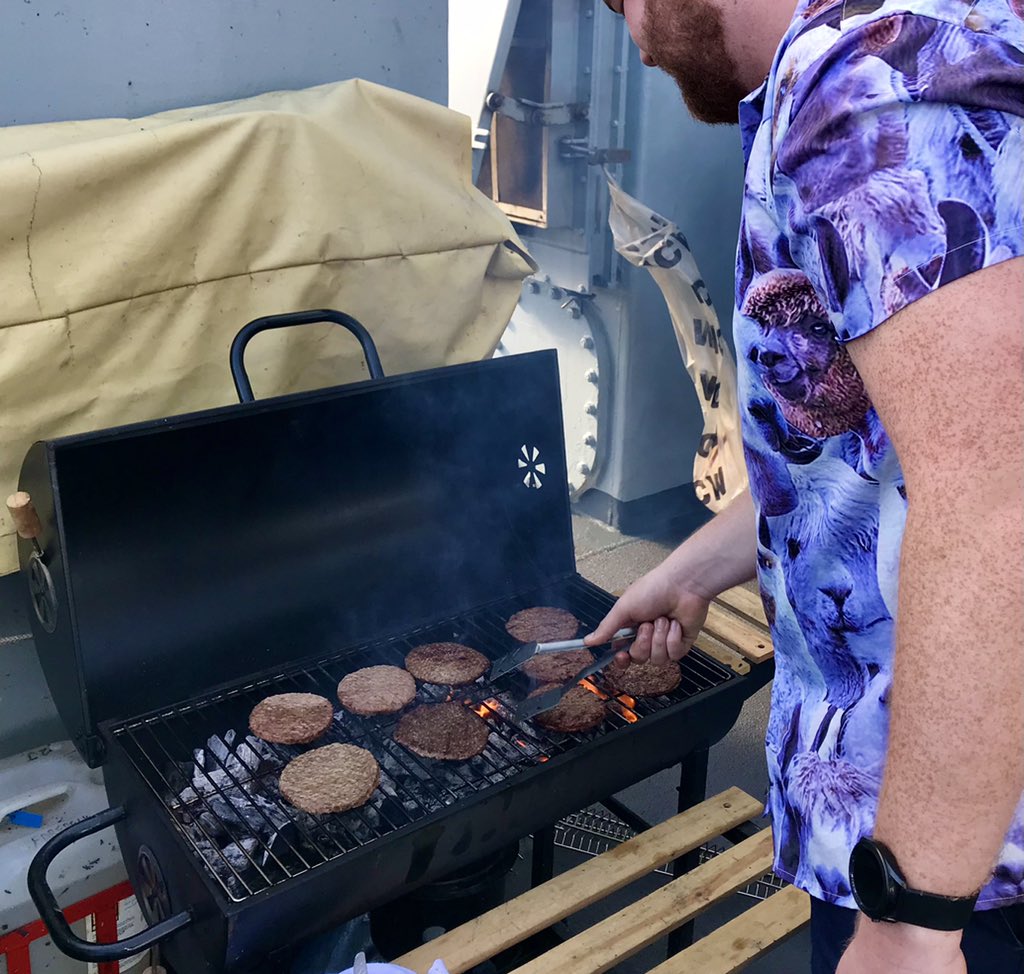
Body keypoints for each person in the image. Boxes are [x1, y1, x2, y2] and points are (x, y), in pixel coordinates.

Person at [587, 1, 1024, 972]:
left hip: (964, 858)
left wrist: (911, 914)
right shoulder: (925, 38)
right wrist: (697, 568)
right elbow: (886, 450)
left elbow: (999, 499)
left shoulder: (860, 80)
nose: (633, 37)